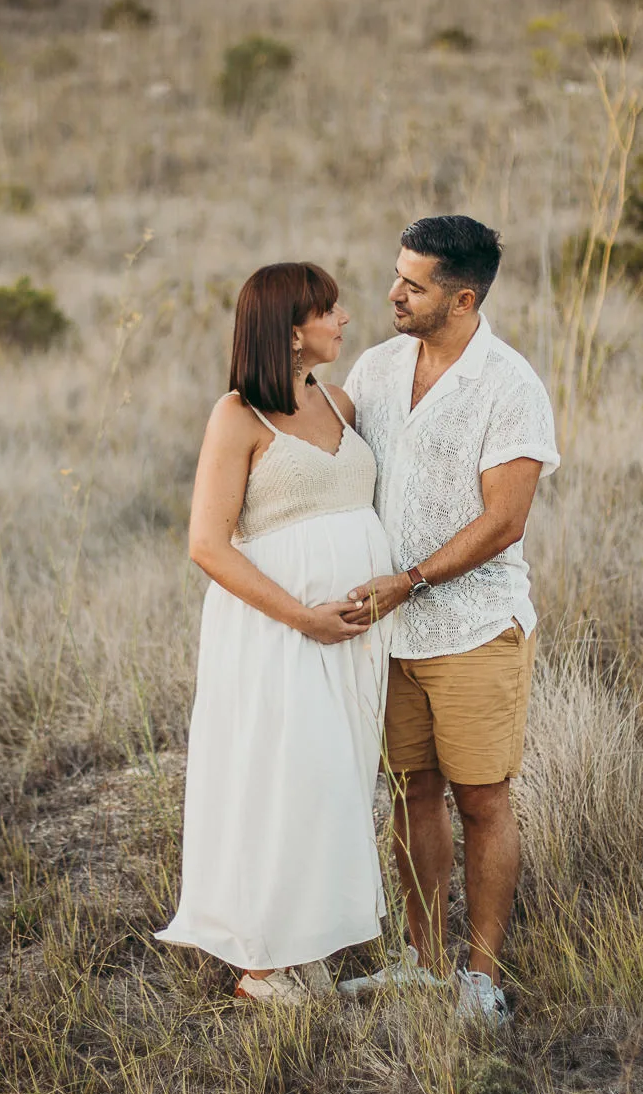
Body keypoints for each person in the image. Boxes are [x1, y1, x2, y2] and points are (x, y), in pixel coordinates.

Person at [339, 215, 559, 1027]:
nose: (393, 291)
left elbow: (505, 520)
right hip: (389, 635)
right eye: (396, 273)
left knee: (482, 800)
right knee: (410, 793)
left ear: (462, 298)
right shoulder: (377, 366)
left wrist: (410, 580)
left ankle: (481, 976)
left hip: (472, 627)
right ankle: (425, 963)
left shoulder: (509, 386)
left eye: (414, 283)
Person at [156, 261, 395, 1004]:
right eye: (328, 311)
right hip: (278, 632)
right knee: (286, 779)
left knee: (335, 782)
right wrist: (304, 616)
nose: (343, 320)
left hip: (351, 637)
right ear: (290, 333)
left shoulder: (337, 400)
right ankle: (262, 967)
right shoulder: (238, 417)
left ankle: (306, 944)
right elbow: (207, 543)